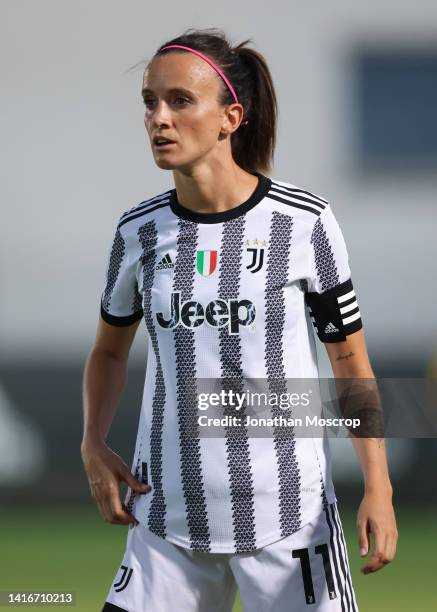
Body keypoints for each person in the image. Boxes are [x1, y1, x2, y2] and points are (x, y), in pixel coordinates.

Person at [81, 27, 398, 612]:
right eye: (150, 102)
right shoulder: (138, 232)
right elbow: (108, 351)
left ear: (231, 116)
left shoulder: (305, 224)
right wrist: (93, 442)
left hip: (290, 518)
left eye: (180, 101)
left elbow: (348, 358)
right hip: (167, 516)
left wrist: (377, 483)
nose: (159, 118)